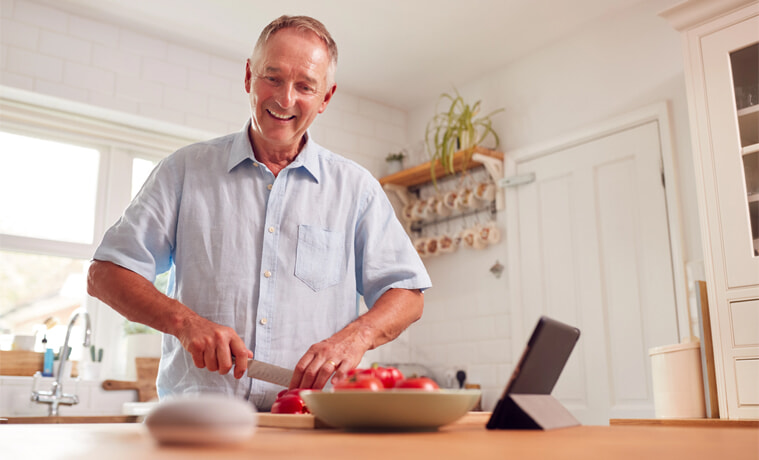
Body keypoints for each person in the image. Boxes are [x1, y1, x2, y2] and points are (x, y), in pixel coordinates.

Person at [86, 15, 431, 410]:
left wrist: (355, 336)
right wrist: (185, 323)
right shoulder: (184, 170)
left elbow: (407, 293)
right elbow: (106, 275)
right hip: (199, 421)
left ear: (326, 98)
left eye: (305, 86)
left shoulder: (357, 189)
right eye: (273, 77)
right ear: (249, 76)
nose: (285, 99)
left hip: (311, 423)